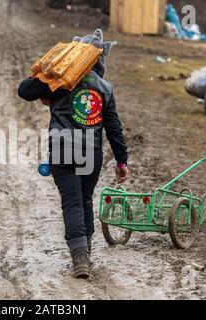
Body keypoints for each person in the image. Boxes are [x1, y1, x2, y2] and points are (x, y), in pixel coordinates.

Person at [18, 29, 129, 279]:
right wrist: (122, 161)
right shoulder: (105, 88)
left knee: (72, 202)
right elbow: (114, 128)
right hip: (91, 153)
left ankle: (80, 259)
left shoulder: (58, 82)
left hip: (62, 150)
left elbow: (24, 90)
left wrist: (46, 72)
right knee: (85, 200)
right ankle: (85, 254)